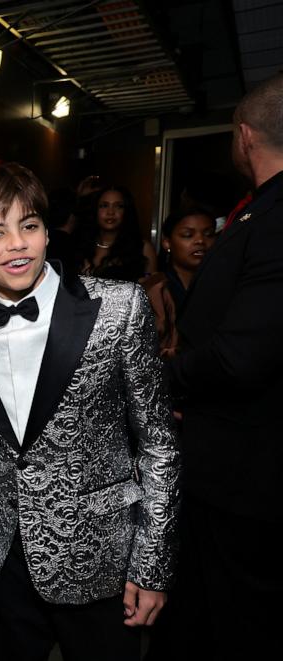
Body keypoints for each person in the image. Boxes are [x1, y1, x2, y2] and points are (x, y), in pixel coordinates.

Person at [0, 163, 180, 661]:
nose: (17, 245)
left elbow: (159, 442)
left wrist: (152, 564)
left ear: (48, 231)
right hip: (2, 553)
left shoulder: (120, 307)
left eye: (29, 226)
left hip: (102, 554)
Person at [159, 71, 283, 660]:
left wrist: (164, 378)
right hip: (232, 468)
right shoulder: (259, 212)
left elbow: (242, 357)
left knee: (241, 621)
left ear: (244, 137)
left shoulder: (275, 220)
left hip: (249, 476)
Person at [142, 209, 216, 355]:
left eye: (208, 234)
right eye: (188, 235)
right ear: (167, 243)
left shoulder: (225, 286)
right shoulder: (153, 289)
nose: (200, 240)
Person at [77, 185, 158, 281]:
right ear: (95, 210)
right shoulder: (80, 245)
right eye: (104, 205)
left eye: (118, 206)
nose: (110, 212)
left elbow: (152, 291)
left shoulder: (143, 248)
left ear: (126, 211)